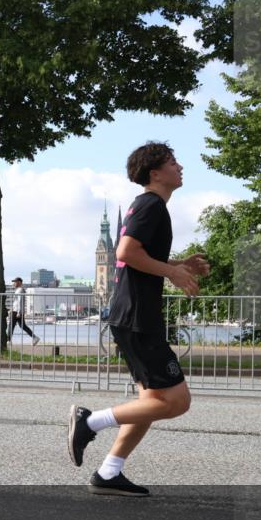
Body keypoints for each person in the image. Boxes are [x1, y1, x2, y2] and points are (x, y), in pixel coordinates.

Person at [68, 142, 209, 496]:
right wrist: (173, 274)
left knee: (149, 402)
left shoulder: (149, 206)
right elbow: (127, 252)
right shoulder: (151, 205)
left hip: (133, 316)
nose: (180, 167)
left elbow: (139, 257)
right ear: (154, 172)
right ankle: (90, 421)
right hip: (137, 318)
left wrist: (178, 266)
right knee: (176, 402)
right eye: (173, 162)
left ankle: (109, 472)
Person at [7, 277, 40, 345]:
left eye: (15, 282)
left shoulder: (20, 290)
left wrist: (19, 312)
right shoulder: (19, 290)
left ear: (19, 282)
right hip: (16, 310)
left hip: (16, 311)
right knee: (22, 326)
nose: (14, 283)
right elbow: (17, 302)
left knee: (11, 325)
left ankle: (9, 341)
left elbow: (20, 301)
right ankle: (34, 337)